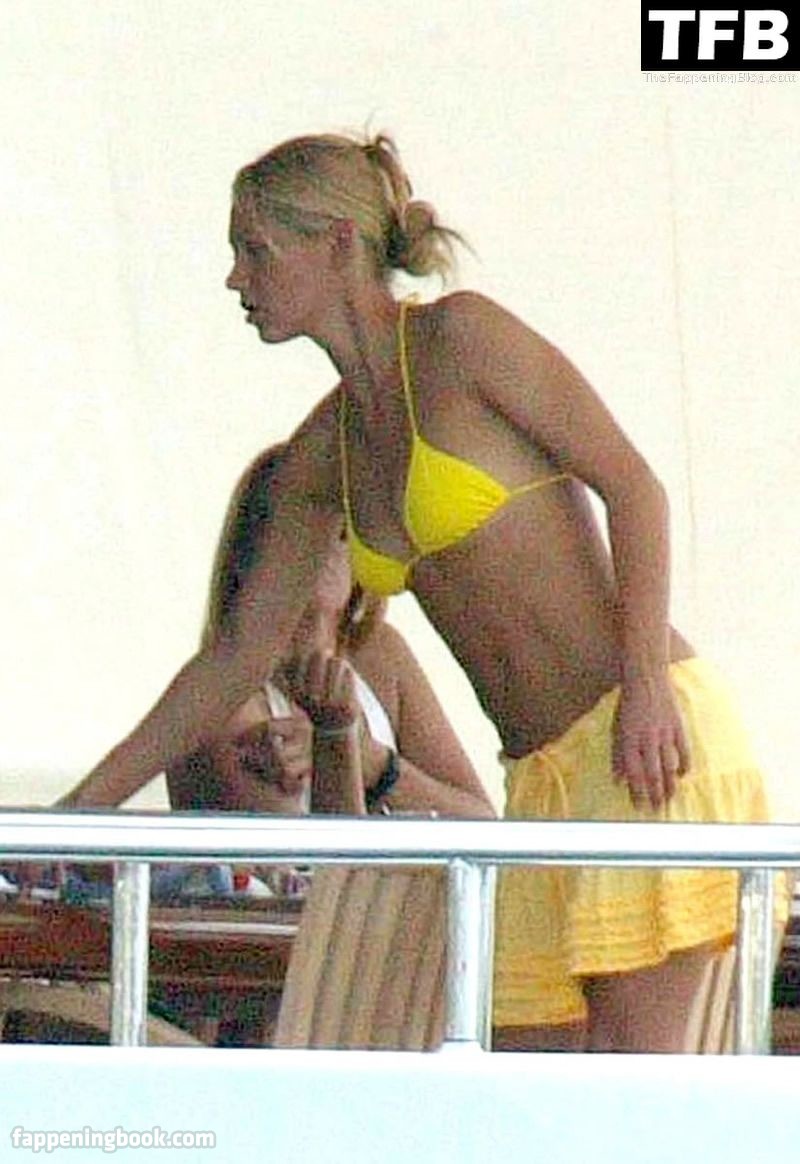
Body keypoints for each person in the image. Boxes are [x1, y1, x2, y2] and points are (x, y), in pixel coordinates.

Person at [61, 131, 780, 1052]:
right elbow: (234, 656)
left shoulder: (463, 339)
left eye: (255, 250)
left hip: (636, 738)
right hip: (541, 779)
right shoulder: (324, 449)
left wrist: (645, 682)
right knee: (520, 1088)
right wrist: (83, 809)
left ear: (337, 245)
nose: (236, 278)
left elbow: (634, 485)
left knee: (621, 1086)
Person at [166, 442, 494, 823]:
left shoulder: (382, 655)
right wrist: (338, 741)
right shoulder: (223, 699)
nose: (321, 546)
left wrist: (373, 763)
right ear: (247, 553)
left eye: (341, 532)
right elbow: (322, 857)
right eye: (295, 530)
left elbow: (482, 824)